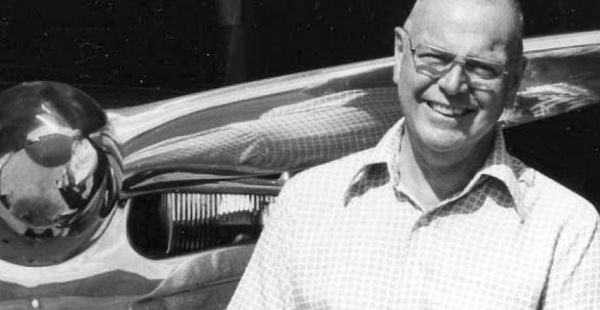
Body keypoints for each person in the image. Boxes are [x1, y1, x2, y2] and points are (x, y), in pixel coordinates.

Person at [227, 0, 600, 308]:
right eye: (436, 58)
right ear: (399, 53)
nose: (453, 85)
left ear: (514, 83)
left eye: (482, 68)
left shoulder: (564, 230)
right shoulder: (307, 203)